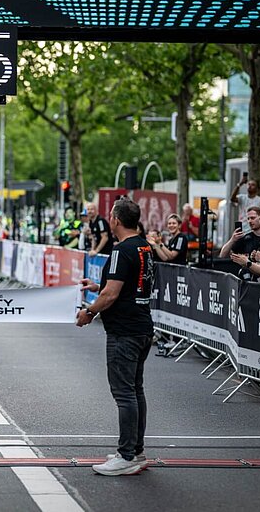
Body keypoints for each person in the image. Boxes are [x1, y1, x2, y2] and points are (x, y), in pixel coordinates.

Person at [76, 197, 155, 476]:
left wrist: (89, 312)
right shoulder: (145, 246)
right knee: (135, 390)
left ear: (116, 220)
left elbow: (111, 295)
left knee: (124, 393)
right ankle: (136, 450)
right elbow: (128, 285)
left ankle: (126, 455)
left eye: (111, 215)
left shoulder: (122, 250)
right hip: (142, 326)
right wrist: (99, 284)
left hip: (125, 330)